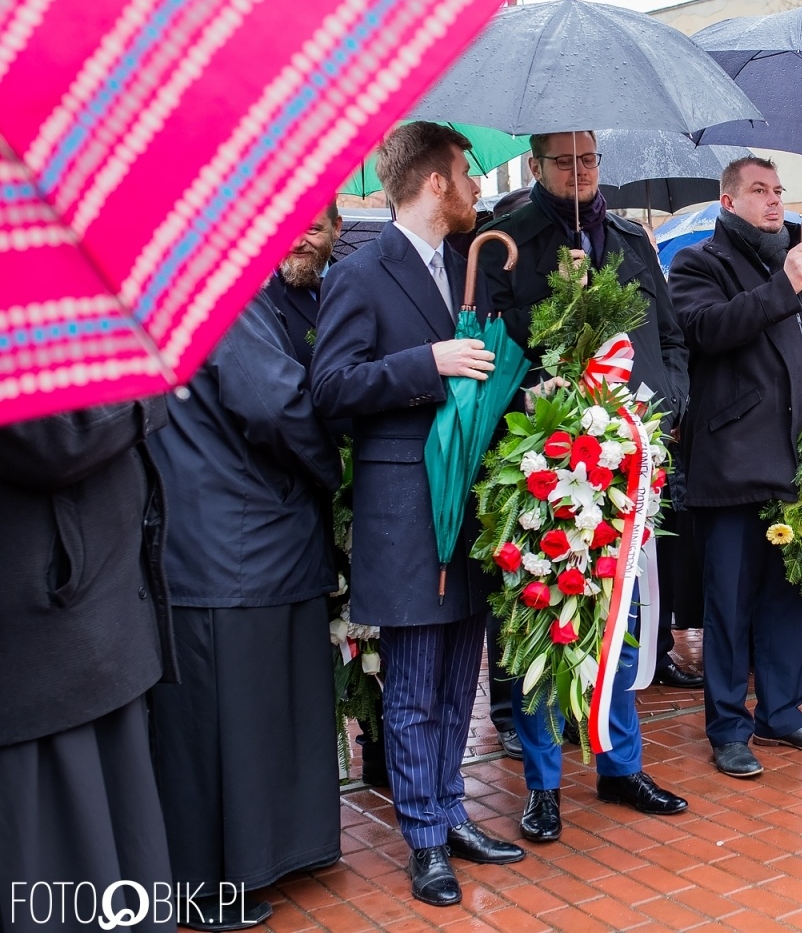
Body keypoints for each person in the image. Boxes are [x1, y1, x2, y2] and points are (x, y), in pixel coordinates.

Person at [311, 122, 525, 907]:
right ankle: (424, 841)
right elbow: (330, 390)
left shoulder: (467, 273)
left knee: (456, 681)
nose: (475, 190)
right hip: (404, 511)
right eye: (466, 175)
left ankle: (450, 811)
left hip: (470, 508)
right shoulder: (360, 274)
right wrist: (424, 365)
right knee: (411, 685)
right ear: (435, 182)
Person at [476, 130, 691, 841]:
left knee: (621, 619)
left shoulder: (631, 239)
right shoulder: (506, 239)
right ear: (537, 165)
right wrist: (562, 307)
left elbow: (669, 338)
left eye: (590, 158)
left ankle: (619, 764)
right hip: (546, 462)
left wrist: (670, 405)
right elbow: (490, 345)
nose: (580, 172)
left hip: (627, 457)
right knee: (550, 619)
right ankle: (542, 785)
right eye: (564, 161)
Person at [146, 289, 343, 929]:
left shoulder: (152, 298)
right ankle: (205, 885)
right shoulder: (212, 297)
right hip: (242, 537)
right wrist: (330, 470)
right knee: (231, 723)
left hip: (195, 534)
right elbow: (274, 404)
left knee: (210, 723)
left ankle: (242, 863)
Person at [669, 155, 802, 777]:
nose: (774, 200)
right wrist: (785, 285)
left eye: (778, 190)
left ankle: (783, 711)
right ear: (729, 202)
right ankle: (729, 725)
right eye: (758, 191)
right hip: (733, 461)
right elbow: (707, 331)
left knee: (790, 596)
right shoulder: (701, 264)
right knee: (728, 602)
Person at [0, 401, 175, 933]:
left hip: (87, 622)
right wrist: (145, 387)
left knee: (119, 839)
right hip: (45, 642)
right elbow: (51, 440)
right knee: (57, 860)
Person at [267, 203, 341, 367]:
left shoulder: (357, 285)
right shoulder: (259, 296)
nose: (297, 243)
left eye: (312, 229)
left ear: (336, 227)